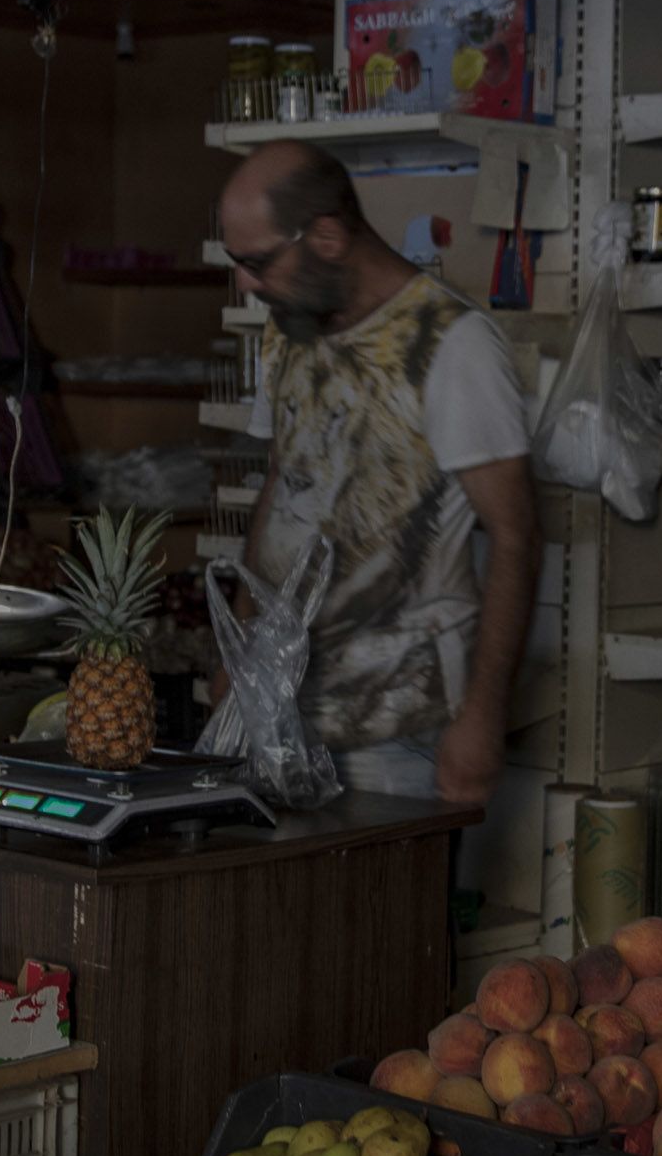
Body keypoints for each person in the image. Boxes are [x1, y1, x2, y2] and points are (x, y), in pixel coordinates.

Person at [216, 141, 538, 806]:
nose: (245, 283)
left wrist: (482, 715)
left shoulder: (453, 343)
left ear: (328, 236)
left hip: (402, 724)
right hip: (285, 711)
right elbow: (281, 483)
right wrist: (241, 655)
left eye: (255, 262)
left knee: (387, 911)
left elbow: (516, 534)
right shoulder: (288, 327)